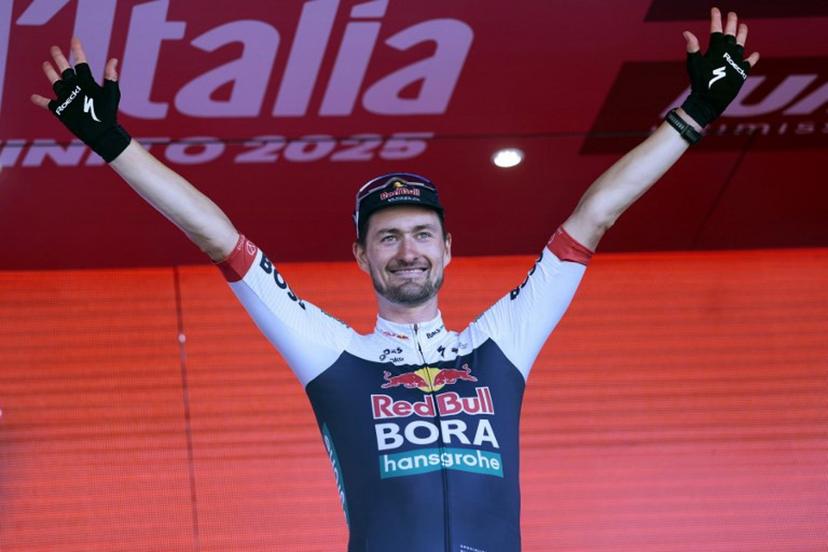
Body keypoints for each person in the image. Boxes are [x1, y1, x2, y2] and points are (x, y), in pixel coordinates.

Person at [32, 7, 758, 552]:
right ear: (361, 256)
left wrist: (695, 114)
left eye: (420, 235)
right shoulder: (331, 354)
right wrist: (110, 142)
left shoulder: (499, 343)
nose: (406, 250)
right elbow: (216, 237)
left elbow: (594, 215)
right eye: (387, 238)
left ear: (447, 251)